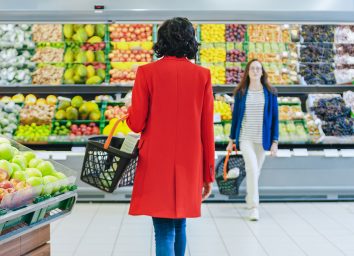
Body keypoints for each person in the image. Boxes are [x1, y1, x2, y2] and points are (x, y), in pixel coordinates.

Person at [126, 17, 215, 256]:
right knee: (180, 222)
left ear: (161, 40)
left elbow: (136, 123)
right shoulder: (202, 75)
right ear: (190, 41)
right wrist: (208, 173)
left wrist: (127, 113)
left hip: (156, 160)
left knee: (163, 228)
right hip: (190, 160)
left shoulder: (146, 73)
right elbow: (207, 128)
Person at [227, 59, 279, 221]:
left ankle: (249, 198)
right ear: (248, 72)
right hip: (246, 138)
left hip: (262, 139)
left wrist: (275, 141)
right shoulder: (241, 93)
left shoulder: (270, 93)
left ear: (262, 72)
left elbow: (275, 118)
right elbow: (235, 118)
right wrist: (231, 139)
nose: (256, 71)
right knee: (251, 168)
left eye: (258, 69)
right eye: (252, 68)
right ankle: (254, 207)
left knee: (256, 171)